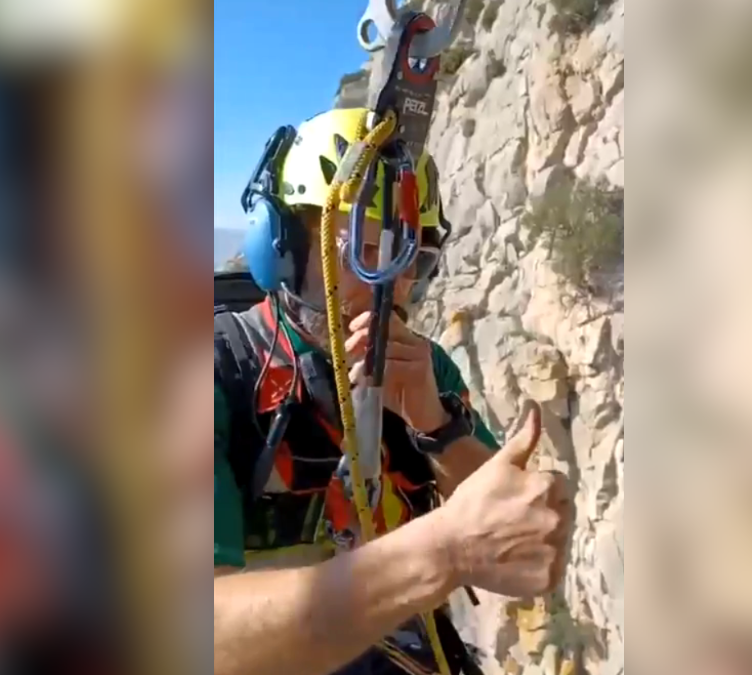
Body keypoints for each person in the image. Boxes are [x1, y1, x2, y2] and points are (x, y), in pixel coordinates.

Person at [214, 107, 574, 675]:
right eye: (365, 249)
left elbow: (500, 525)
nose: (396, 284)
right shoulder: (214, 371)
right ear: (281, 249)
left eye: (413, 257)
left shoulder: (424, 368)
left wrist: (436, 423)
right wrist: (443, 552)